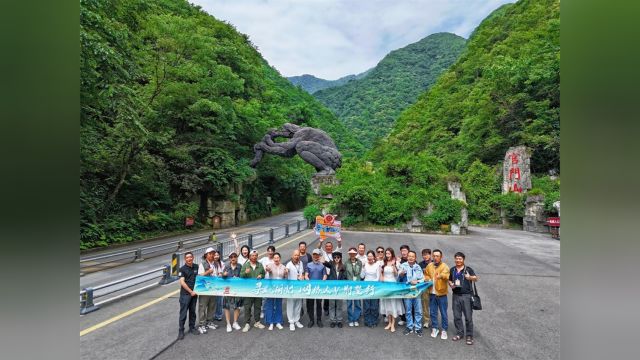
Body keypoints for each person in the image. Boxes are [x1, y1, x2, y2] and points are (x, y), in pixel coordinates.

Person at [448, 252, 478, 345]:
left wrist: (469, 277)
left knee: (468, 317)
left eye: (460, 259)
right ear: (454, 259)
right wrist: (451, 284)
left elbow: (476, 278)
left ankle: (469, 335)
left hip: (466, 296)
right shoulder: (452, 269)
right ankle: (460, 333)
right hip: (455, 296)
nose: (458, 260)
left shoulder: (468, 269)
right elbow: (449, 279)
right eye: (456, 258)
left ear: (463, 260)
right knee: (457, 316)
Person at [424, 249, 450, 340]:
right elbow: (426, 274)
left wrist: (441, 276)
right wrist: (427, 278)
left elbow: (447, 275)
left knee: (443, 313)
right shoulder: (429, 265)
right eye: (434, 256)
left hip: (442, 294)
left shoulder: (444, 266)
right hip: (432, 293)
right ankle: (435, 328)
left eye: (437, 256)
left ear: (441, 257)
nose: (435, 257)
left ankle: (444, 330)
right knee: (433, 313)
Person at [399, 250, 425, 337]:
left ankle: (418, 327)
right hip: (407, 292)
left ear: (415, 258)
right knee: (408, 310)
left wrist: (417, 281)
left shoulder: (418, 267)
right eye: (409, 256)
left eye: (412, 256)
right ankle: (409, 327)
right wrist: (401, 275)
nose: (410, 257)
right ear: (407, 257)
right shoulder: (403, 266)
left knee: (418, 310)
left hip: (416, 291)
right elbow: (398, 279)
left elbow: (422, 279)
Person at [240, 249, 266, 332]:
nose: (254, 257)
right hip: (248, 290)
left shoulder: (260, 265)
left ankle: (257, 322)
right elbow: (241, 276)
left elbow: (263, 274)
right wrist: (245, 273)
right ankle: (247, 324)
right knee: (247, 307)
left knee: (258, 306)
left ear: (257, 256)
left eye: (255, 256)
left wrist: (261, 276)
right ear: (250, 257)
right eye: (252, 256)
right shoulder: (246, 265)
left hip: (258, 290)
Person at [196, 247, 221, 334]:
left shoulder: (216, 264)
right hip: (205, 289)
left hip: (213, 289)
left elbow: (218, 274)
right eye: (210, 254)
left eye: (213, 253)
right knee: (202, 307)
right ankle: (201, 324)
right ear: (206, 255)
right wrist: (208, 272)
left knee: (212, 306)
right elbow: (199, 277)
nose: (212, 255)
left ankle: (209, 321)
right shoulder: (202, 264)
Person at [379, 248, 404, 332]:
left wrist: (394, 265)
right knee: (387, 304)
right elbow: (381, 273)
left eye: (389, 254)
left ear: (392, 254)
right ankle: (389, 323)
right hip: (385, 285)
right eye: (386, 254)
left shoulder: (396, 262)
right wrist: (381, 278)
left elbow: (396, 275)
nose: (387, 255)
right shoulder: (383, 262)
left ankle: (393, 323)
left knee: (393, 304)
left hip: (393, 284)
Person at [317, 237, 341, 315]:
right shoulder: (323, 253)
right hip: (325, 276)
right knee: (326, 293)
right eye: (326, 246)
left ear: (332, 247)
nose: (328, 247)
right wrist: (321, 241)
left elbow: (339, 247)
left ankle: (335, 308)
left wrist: (339, 240)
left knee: (334, 292)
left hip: (334, 276)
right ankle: (326, 308)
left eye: (329, 246)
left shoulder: (335, 254)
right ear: (325, 247)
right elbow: (318, 248)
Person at [177, 252, 199, 340]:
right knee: (183, 313)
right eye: (187, 257)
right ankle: (181, 331)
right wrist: (191, 291)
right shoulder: (182, 269)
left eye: (190, 257)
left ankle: (192, 328)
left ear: (193, 258)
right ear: (185, 259)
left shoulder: (196, 267)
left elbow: (200, 277)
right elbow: (182, 282)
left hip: (194, 294)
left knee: (192, 312)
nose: (189, 259)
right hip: (185, 295)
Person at [305, 248, 327, 328]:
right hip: (310, 288)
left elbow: (324, 275)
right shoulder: (308, 264)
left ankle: (319, 320)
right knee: (310, 305)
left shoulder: (322, 265)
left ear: (319, 256)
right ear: (313, 255)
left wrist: (322, 282)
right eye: (314, 255)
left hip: (319, 289)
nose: (315, 256)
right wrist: (307, 279)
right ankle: (311, 320)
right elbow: (306, 275)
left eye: (317, 255)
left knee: (318, 304)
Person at [221, 252, 243, 332]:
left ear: (237, 257)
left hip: (237, 289)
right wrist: (224, 275)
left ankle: (235, 322)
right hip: (227, 289)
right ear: (229, 258)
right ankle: (228, 324)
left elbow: (243, 277)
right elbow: (222, 277)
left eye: (234, 256)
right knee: (227, 306)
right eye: (231, 257)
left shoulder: (240, 266)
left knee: (237, 306)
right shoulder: (226, 266)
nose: (233, 258)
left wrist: (238, 278)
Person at [264, 252, 286, 330]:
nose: (276, 259)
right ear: (273, 259)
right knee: (270, 304)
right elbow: (267, 270)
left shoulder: (283, 266)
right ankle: (270, 322)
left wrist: (286, 273)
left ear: (280, 258)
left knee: (278, 305)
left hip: (280, 288)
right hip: (271, 288)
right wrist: (267, 270)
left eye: (277, 258)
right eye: (275, 258)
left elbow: (285, 277)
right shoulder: (270, 265)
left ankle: (278, 322)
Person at [326, 251, 347, 328]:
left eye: (338, 257)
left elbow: (345, 277)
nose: (336, 259)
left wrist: (342, 284)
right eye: (335, 257)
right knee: (332, 305)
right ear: (333, 258)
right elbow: (324, 262)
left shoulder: (343, 266)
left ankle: (339, 320)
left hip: (340, 289)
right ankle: (332, 320)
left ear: (340, 258)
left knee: (339, 306)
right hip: (332, 288)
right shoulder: (331, 264)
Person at [285, 250, 305, 331]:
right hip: (291, 289)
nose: (296, 257)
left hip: (299, 288)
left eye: (298, 255)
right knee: (291, 305)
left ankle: (297, 320)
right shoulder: (289, 264)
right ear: (292, 256)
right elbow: (286, 273)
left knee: (298, 305)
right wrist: (286, 272)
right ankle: (291, 322)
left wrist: (302, 276)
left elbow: (302, 273)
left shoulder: (301, 263)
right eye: (295, 255)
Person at [360, 250, 381, 327]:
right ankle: (367, 320)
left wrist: (371, 283)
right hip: (366, 287)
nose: (369, 257)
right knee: (366, 305)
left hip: (374, 287)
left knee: (374, 305)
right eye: (368, 256)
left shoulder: (377, 265)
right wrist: (362, 268)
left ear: (374, 257)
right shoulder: (365, 265)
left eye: (371, 256)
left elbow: (378, 277)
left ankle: (374, 320)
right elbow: (362, 276)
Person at [344, 247, 363, 327]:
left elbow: (359, 272)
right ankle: (350, 319)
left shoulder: (359, 262)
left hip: (357, 285)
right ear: (349, 254)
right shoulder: (346, 263)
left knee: (357, 303)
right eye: (350, 253)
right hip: (349, 285)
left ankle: (356, 319)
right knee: (349, 304)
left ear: (356, 254)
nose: (352, 254)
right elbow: (344, 274)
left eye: (353, 253)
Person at [259, 245, 276, 319]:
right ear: (267, 252)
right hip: (264, 281)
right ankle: (262, 311)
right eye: (269, 251)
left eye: (271, 251)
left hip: (273, 281)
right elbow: (256, 263)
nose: (270, 252)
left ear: (274, 252)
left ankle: (272, 310)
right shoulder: (263, 259)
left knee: (273, 297)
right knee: (264, 297)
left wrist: (271, 270)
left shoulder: (275, 260)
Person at [419, 248, 432, 329]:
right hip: (425, 287)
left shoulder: (435, 263)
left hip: (435, 287)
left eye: (427, 254)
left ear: (430, 255)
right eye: (424, 255)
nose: (425, 256)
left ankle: (434, 320)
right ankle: (426, 320)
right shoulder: (421, 264)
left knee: (434, 305)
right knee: (425, 304)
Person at [212, 250, 224, 322]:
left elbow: (223, 272)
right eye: (215, 255)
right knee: (212, 301)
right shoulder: (210, 263)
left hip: (219, 285)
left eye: (217, 255)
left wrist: (221, 274)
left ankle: (219, 315)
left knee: (219, 300)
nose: (216, 256)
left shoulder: (221, 263)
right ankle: (211, 315)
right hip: (212, 285)